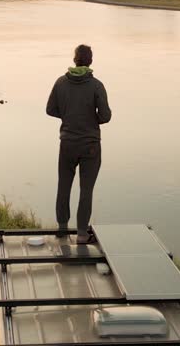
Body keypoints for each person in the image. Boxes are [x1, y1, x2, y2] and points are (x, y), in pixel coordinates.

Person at [46, 44, 111, 243]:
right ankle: (82, 233)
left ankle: (63, 228)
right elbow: (106, 116)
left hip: (67, 143)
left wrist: (68, 116)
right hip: (90, 145)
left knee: (63, 186)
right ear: (90, 61)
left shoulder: (60, 83)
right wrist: (92, 120)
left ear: (75, 60)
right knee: (86, 190)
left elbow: (50, 109)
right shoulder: (97, 86)